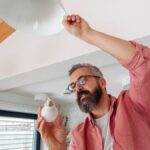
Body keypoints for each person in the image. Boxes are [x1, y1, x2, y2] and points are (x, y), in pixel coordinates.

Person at [36, 15, 150, 150]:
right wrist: (56, 147)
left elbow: (143, 64)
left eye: (82, 80)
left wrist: (87, 34)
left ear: (102, 82)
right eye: (73, 86)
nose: (77, 88)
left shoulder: (133, 105)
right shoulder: (77, 135)